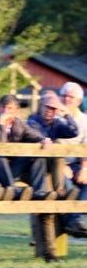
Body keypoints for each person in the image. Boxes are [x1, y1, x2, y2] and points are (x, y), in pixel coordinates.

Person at [26, 92, 80, 262]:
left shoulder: (57, 123)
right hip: (34, 173)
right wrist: (44, 140)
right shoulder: (32, 121)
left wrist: (67, 114)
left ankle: (60, 192)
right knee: (45, 211)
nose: (50, 110)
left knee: (48, 212)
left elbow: (73, 131)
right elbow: (35, 135)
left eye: (53, 108)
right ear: (40, 106)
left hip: (48, 174)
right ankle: (61, 192)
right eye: (48, 107)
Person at [0, 94, 57, 201]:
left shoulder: (19, 123)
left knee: (37, 154)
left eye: (9, 108)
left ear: (16, 111)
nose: (5, 110)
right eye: (3, 107)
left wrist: (43, 139)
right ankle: (14, 191)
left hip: (12, 167)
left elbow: (32, 134)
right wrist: (0, 124)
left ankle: (39, 193)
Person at [56, 82, 87, 238]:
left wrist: (84, 169)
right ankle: (69, 223)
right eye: (64, 95)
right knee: (67, 188)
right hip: (54, 162)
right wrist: (61, 164)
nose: (66, 99)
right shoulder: (54, 116)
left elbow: (86, 147)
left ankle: (74, 221)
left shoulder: (84, 120)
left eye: (71, 97)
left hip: (76, 163)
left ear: (79, 101)